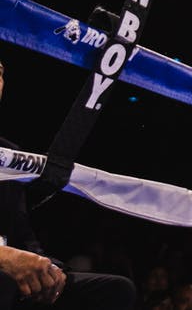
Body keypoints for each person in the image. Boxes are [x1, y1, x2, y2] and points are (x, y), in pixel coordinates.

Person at [0, 58, 137, 310]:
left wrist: (50, 267)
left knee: (115, 291)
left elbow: (21, 232)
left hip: (12, 275)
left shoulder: (10, 154)